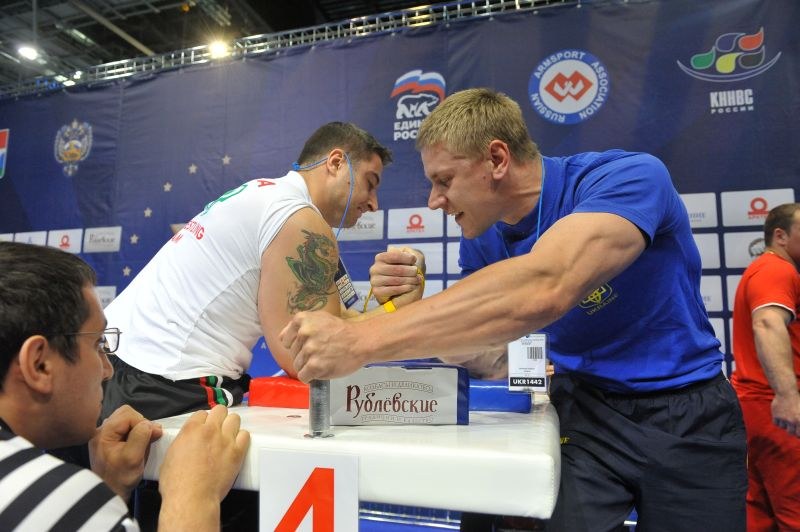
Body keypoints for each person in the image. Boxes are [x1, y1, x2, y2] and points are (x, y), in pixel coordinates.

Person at [281, 88, 747, 530]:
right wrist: (398, 309)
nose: (434, 200)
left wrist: (360, 339)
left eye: (444, 181)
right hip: (584, 409)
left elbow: (548, 283)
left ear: (498, 159)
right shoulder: (482, 235)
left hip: (688, 410)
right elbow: (486, 351)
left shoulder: (628, 177)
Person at [102, 121, 424, 422]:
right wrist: (400, 311)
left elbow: (330, 322)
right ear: (336, 162)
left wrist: (390, 307)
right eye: (370, 183)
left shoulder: (266, 194)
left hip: (112, 360)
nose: (374, 204)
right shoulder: (299, 219)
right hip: (162, 381)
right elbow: (311, 357)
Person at [0, 241, 250, 530]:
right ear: (39, 364)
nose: (108, 370)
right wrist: (192, 497)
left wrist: (108, 490)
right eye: (97, 344)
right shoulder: (49, 496)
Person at [731, 202, 800, 530]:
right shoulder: (777, 270)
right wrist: (787, 397)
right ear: (780, 236)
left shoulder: (767, 269)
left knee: (760, 514)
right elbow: (768, 323)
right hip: (777, 411)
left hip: (759, 408)